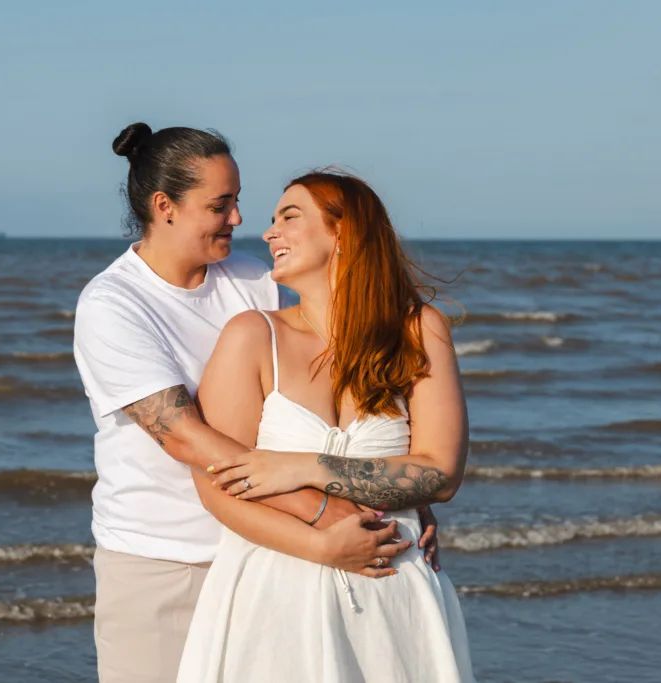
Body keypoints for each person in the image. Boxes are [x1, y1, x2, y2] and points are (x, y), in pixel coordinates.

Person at [73, 124, 441, 683]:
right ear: (164, 206)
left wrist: (398, 490)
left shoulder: (251, 280)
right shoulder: (114, 303)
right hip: (165, 558)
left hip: (264, 556)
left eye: (238, 200)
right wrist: (322, 510)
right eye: (220, 205)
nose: (240, 219)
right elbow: (183, 436)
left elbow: (321, 388)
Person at [176, 170, 475, 683]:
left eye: (289, 217)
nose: (269, 233)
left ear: (345, 233)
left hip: (393, 581)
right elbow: (218, 491)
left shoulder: (419, 330)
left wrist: (302, 468)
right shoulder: (252, 336)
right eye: (272, 221)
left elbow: (440, 475)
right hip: (275, 588)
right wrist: (320, 548)